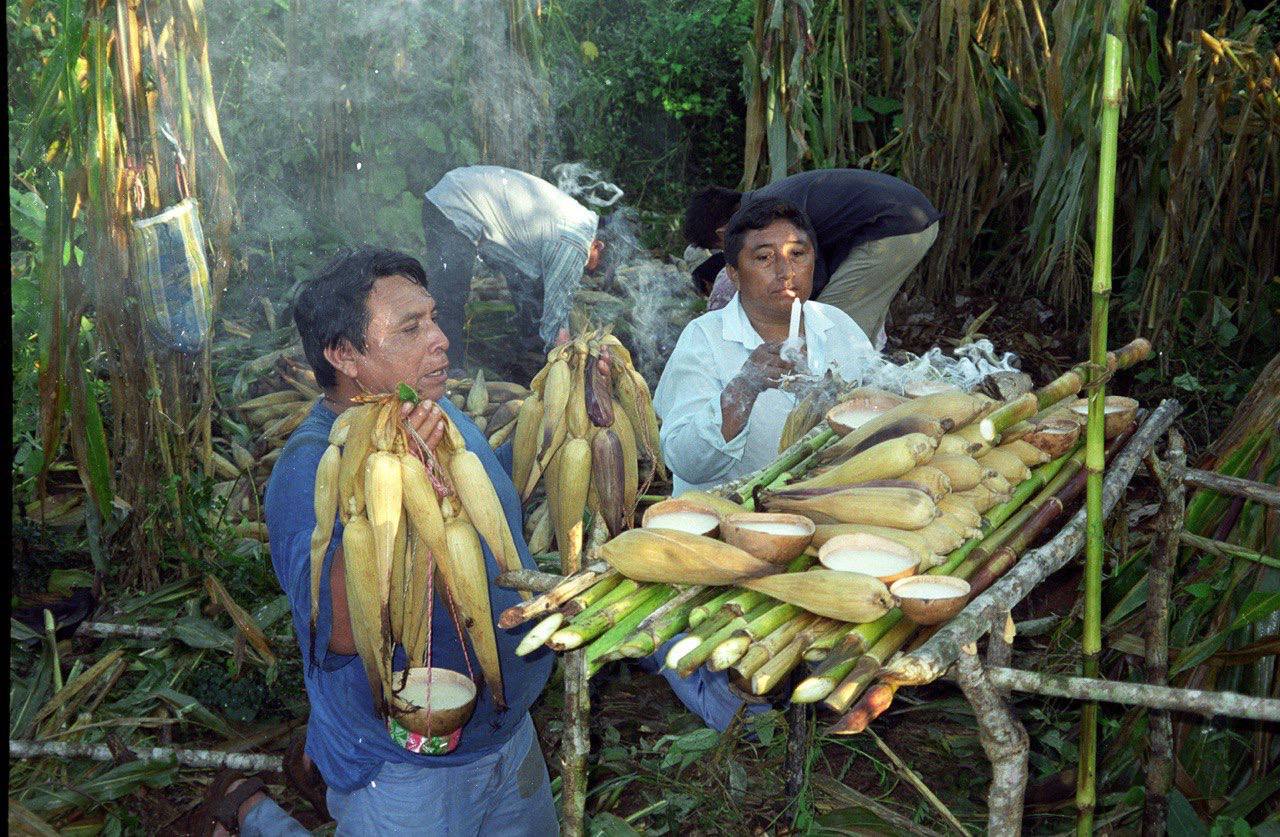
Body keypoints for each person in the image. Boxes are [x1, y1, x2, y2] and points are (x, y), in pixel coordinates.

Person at [190, 248, 558, 836]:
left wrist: (559, 425)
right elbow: (338, 628)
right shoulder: (310, 470)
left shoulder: (440, 415)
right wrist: (390, 480)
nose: (440, 339)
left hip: (506, 729)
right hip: (407, 760)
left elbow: (491, 520)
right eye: (411, 328)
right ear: (344, 355)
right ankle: (252, 813)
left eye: (433, 318)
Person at [655, 199, 882, 495]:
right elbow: (686, 463)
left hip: (821, 509)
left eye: (797, 254)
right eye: (764, 258)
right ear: (734, 274)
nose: (785, 271)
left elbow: (879, 408)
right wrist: (744, 389)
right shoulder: (704, 339)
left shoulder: (837, 324)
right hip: (726, 520)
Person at [683, 168, 941, 348]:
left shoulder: (771, 217)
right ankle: (868, 387)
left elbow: (806, 272)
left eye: (722, 246)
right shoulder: (769, 201)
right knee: (858, 321)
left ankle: (836, 407)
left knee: (827, 327)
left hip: (896, 227)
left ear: (723, 232)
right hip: (908, 220)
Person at [422, 165, 614, 370]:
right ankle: (448, 371)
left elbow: (536, 289)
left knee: (530, 287)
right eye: (593, 266)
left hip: (460, 191)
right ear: (597, 246)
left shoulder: (578, 220)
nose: (586, 270)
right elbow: (557, 315)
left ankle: (528, 355)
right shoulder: (576, 242)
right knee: (449, 296)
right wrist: (563, 362)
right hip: (453, 204)